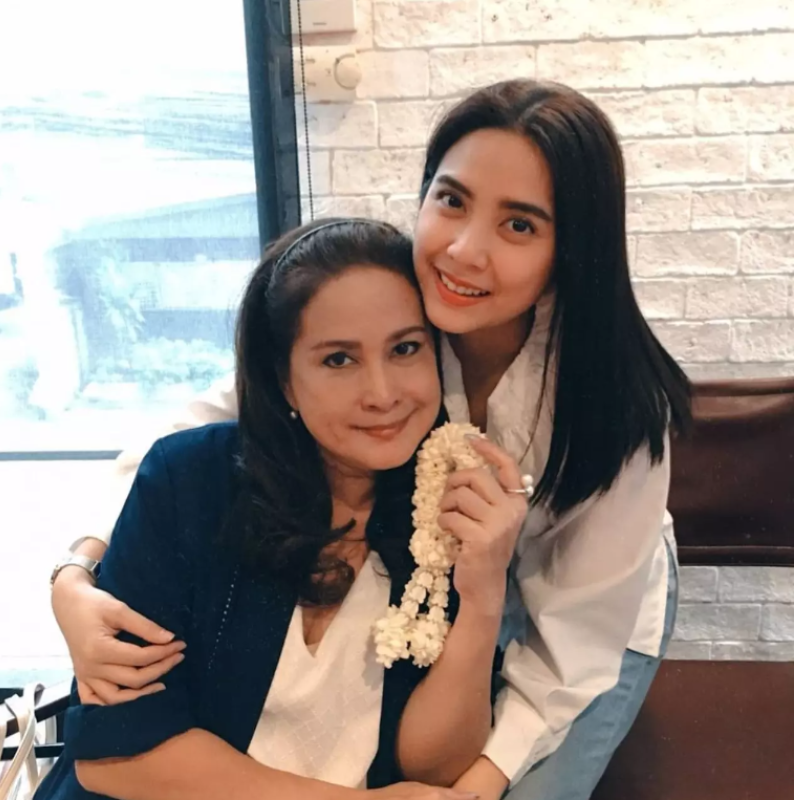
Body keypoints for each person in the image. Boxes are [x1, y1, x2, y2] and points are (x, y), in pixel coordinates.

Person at [50, 80, 691, 800]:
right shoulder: (401, 302)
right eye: (451, 200)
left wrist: (477, 787)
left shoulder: (614, 408)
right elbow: (207, 425)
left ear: (571, 247)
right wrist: (76, 575)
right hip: (465, 567)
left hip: (589, 604)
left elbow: (573, 649)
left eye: (519, 225)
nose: (465, 250)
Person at [39, 218, 530, 800]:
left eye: (405, 348)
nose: (382, 393)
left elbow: (432, 767)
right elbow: (117, 757)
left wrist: (483, 594)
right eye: (338, 360)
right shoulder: (190, 482)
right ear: (284, 380)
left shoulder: (443, 511)